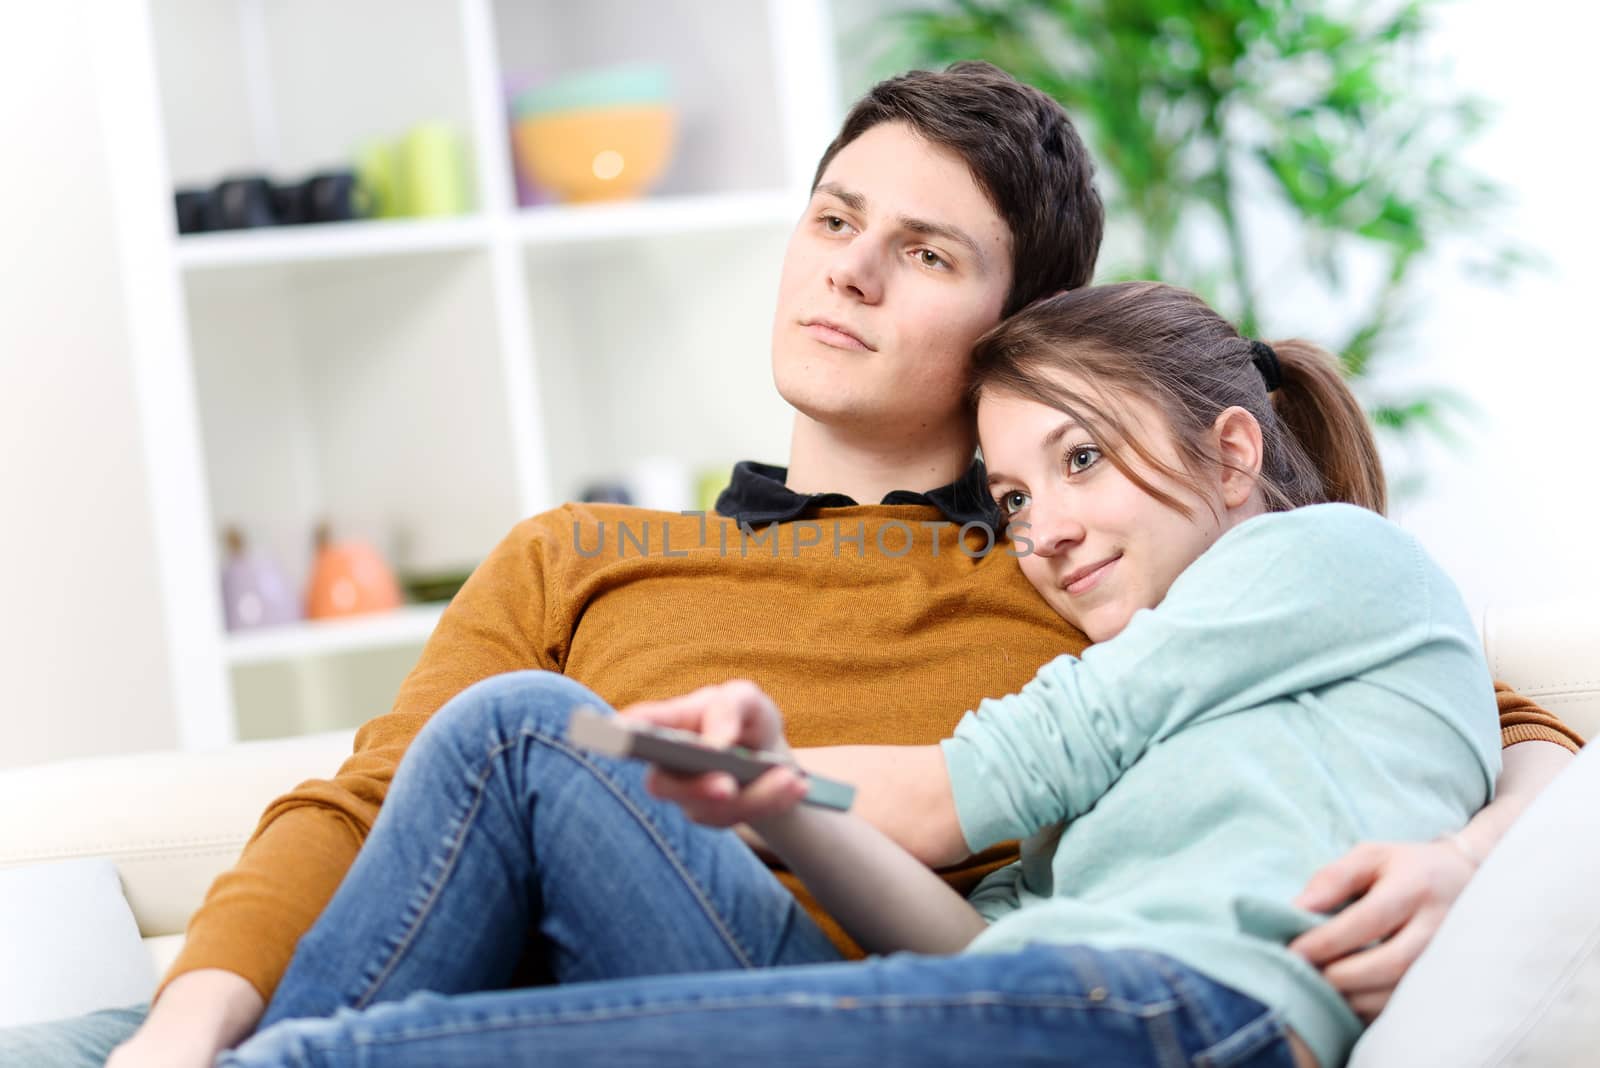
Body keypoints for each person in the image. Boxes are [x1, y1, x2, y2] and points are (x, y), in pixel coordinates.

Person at [1, 61, 1575, 1068]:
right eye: (836, 218)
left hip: (800, 997)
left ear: (1009, 335)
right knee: (99, 1039)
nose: (850, 267)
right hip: (460, 974)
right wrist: (190, 1020)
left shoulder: (1076, 572)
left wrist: (1471, 857)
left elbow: (1474, 707)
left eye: (927, 253)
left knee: (523, 739)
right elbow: (369, 805)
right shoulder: (585, 549)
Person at [216, 280, 1501, 1068]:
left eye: (1081, 461)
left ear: (1232, 455)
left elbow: (963, 788)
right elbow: (955, 942)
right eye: (1010, 493)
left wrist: (697, 760)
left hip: (1170, 1014)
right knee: (518, 727)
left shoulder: (1324, 557)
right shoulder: (1172, 698)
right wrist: (776, 806)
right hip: (1038, 997)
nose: (1040, 526)